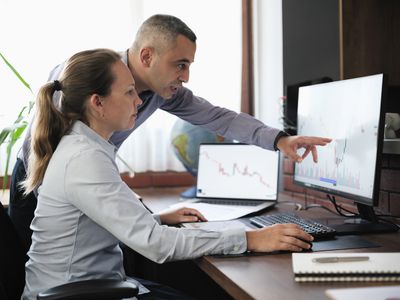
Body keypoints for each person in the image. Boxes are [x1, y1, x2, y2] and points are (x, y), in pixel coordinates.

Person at [10, 14, 331, 250]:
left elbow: (218, 117)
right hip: (37, 183)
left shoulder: (162, 92)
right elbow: (53, 169)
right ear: (147, 56)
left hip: (87, 191)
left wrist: (279, 139)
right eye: (180, 64)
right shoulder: (88, 76)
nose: (186, 76)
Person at [21, 48, 314, 300]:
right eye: (128, 92)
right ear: (97, 103)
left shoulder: (85, 146)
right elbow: (156, 245)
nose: (139, 101)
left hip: (91, 285)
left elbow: (99, 219)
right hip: (79, 293)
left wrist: (158, 218)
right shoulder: (84, 158)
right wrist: (251, 240)